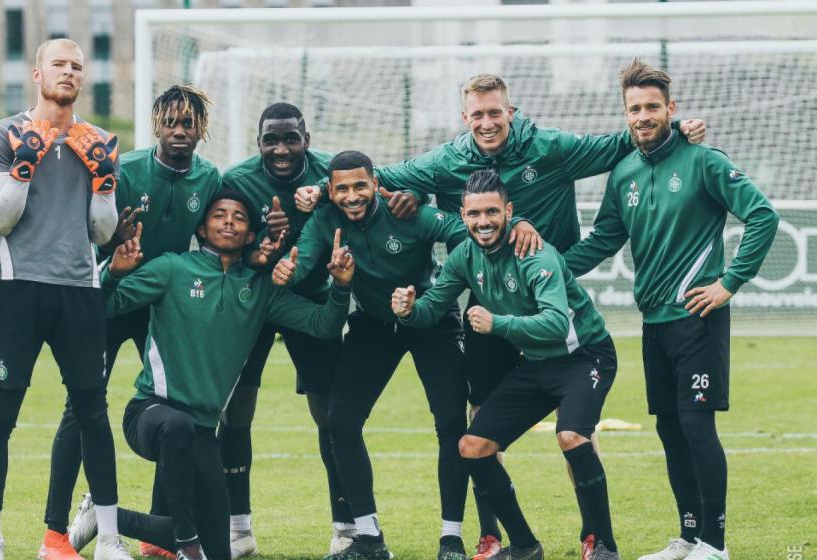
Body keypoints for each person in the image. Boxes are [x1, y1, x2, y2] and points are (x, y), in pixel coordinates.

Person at [297, 73, 705, 560]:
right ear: (464, 118)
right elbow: (373, 177)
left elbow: (619, 141)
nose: (487, 122)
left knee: (576, 433)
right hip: (487, 305)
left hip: (553, 314)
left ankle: (597, 539)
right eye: (477, 115)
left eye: (495, 112)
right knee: (476, 426)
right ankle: (493, 538)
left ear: (512, 111)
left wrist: (677, 129)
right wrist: (318, 191)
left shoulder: (550, 148)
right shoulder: (448, 164)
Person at [562, 59, 779, 560]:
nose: (643, 115)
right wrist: (548, 266)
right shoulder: (625, 173)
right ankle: (688, 536)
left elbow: (763, 215)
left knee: (697, 425)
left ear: (671, 109)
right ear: (626, 114)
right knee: (670, 429)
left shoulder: (704, 160)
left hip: (697, 319)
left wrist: (729, 283)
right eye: (634, 108)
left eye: (652, 107)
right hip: (653, 322)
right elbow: (602, 240)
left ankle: (716, 545)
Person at [67, 187, 355, 560]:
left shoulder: (261, 288)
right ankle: (188, 547)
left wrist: (342, 287)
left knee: (219, 547)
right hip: (150, 413)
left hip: (202, 430)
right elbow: (102, 307)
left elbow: (323, 325)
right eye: (219, 214)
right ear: (201, 229)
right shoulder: (173, 268)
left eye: (239, 217)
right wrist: (113, 273)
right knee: (178, 431)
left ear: (251, 235)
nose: (229, 221)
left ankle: (106, 517)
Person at [273, 151, 506, 560]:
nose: (352, 196)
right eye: (341, 188)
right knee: (340, 422)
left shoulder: (407, 211)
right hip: (374, 326)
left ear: (375, 183)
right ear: (330, 191)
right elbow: (303, 258)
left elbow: (463, 230)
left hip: (431, 322)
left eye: (360, 186)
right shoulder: (326, 220)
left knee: (451, 422)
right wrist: (284, 270)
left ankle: (450, 537)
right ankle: (369, 538)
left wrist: (439, 291)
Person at [394, 168, 620, 560]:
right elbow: (435, 305)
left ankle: (602, 543)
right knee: (472, 446)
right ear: (462, 216)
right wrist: (410, 309)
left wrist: (496, 323)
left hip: (585, 356)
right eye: (474, 214)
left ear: (508, 210)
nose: (483, 222)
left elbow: (553, 323)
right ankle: (525, 547)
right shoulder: (464, 254)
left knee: (571, 435)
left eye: (492, 212)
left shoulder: (535, 253)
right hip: (536, 365)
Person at [42, 83, 221, 560]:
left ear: (202, 130)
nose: (179, 131)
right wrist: (110, 244)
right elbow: (85, 231)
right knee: (82, 407)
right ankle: (55, 533)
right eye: (171, 122)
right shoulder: (126, 170)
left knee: (173, 407)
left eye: (189, 123)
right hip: (110, 294)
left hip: (161, 306)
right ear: (156, 124)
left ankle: (158, 534)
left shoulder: (209, 179)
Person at [0, 37, 132, 560]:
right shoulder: (4, 133)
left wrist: (105, 181)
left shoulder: (98, 139)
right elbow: (0, 218)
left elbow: (103, 232)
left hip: (79, 291)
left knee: (93, 411)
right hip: (17, 290)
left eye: (77, 67)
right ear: (37, 75)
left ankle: (108, 538)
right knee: (0, 414)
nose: (69, 73)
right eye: (59, 65)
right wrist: (25, 165)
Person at [219, 102, 353, 556]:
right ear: (258, 143)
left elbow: (372, 189)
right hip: (252, 298)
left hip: (310, 300)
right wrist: (259, 238)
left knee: (330, 414)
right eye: (270, 140)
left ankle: (347, 527)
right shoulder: (237, 181)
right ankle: (238, 530)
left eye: (290, 138)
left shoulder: (332, 175)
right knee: (235, 410)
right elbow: (217, 237)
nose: (281, 149)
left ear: (306, 140)